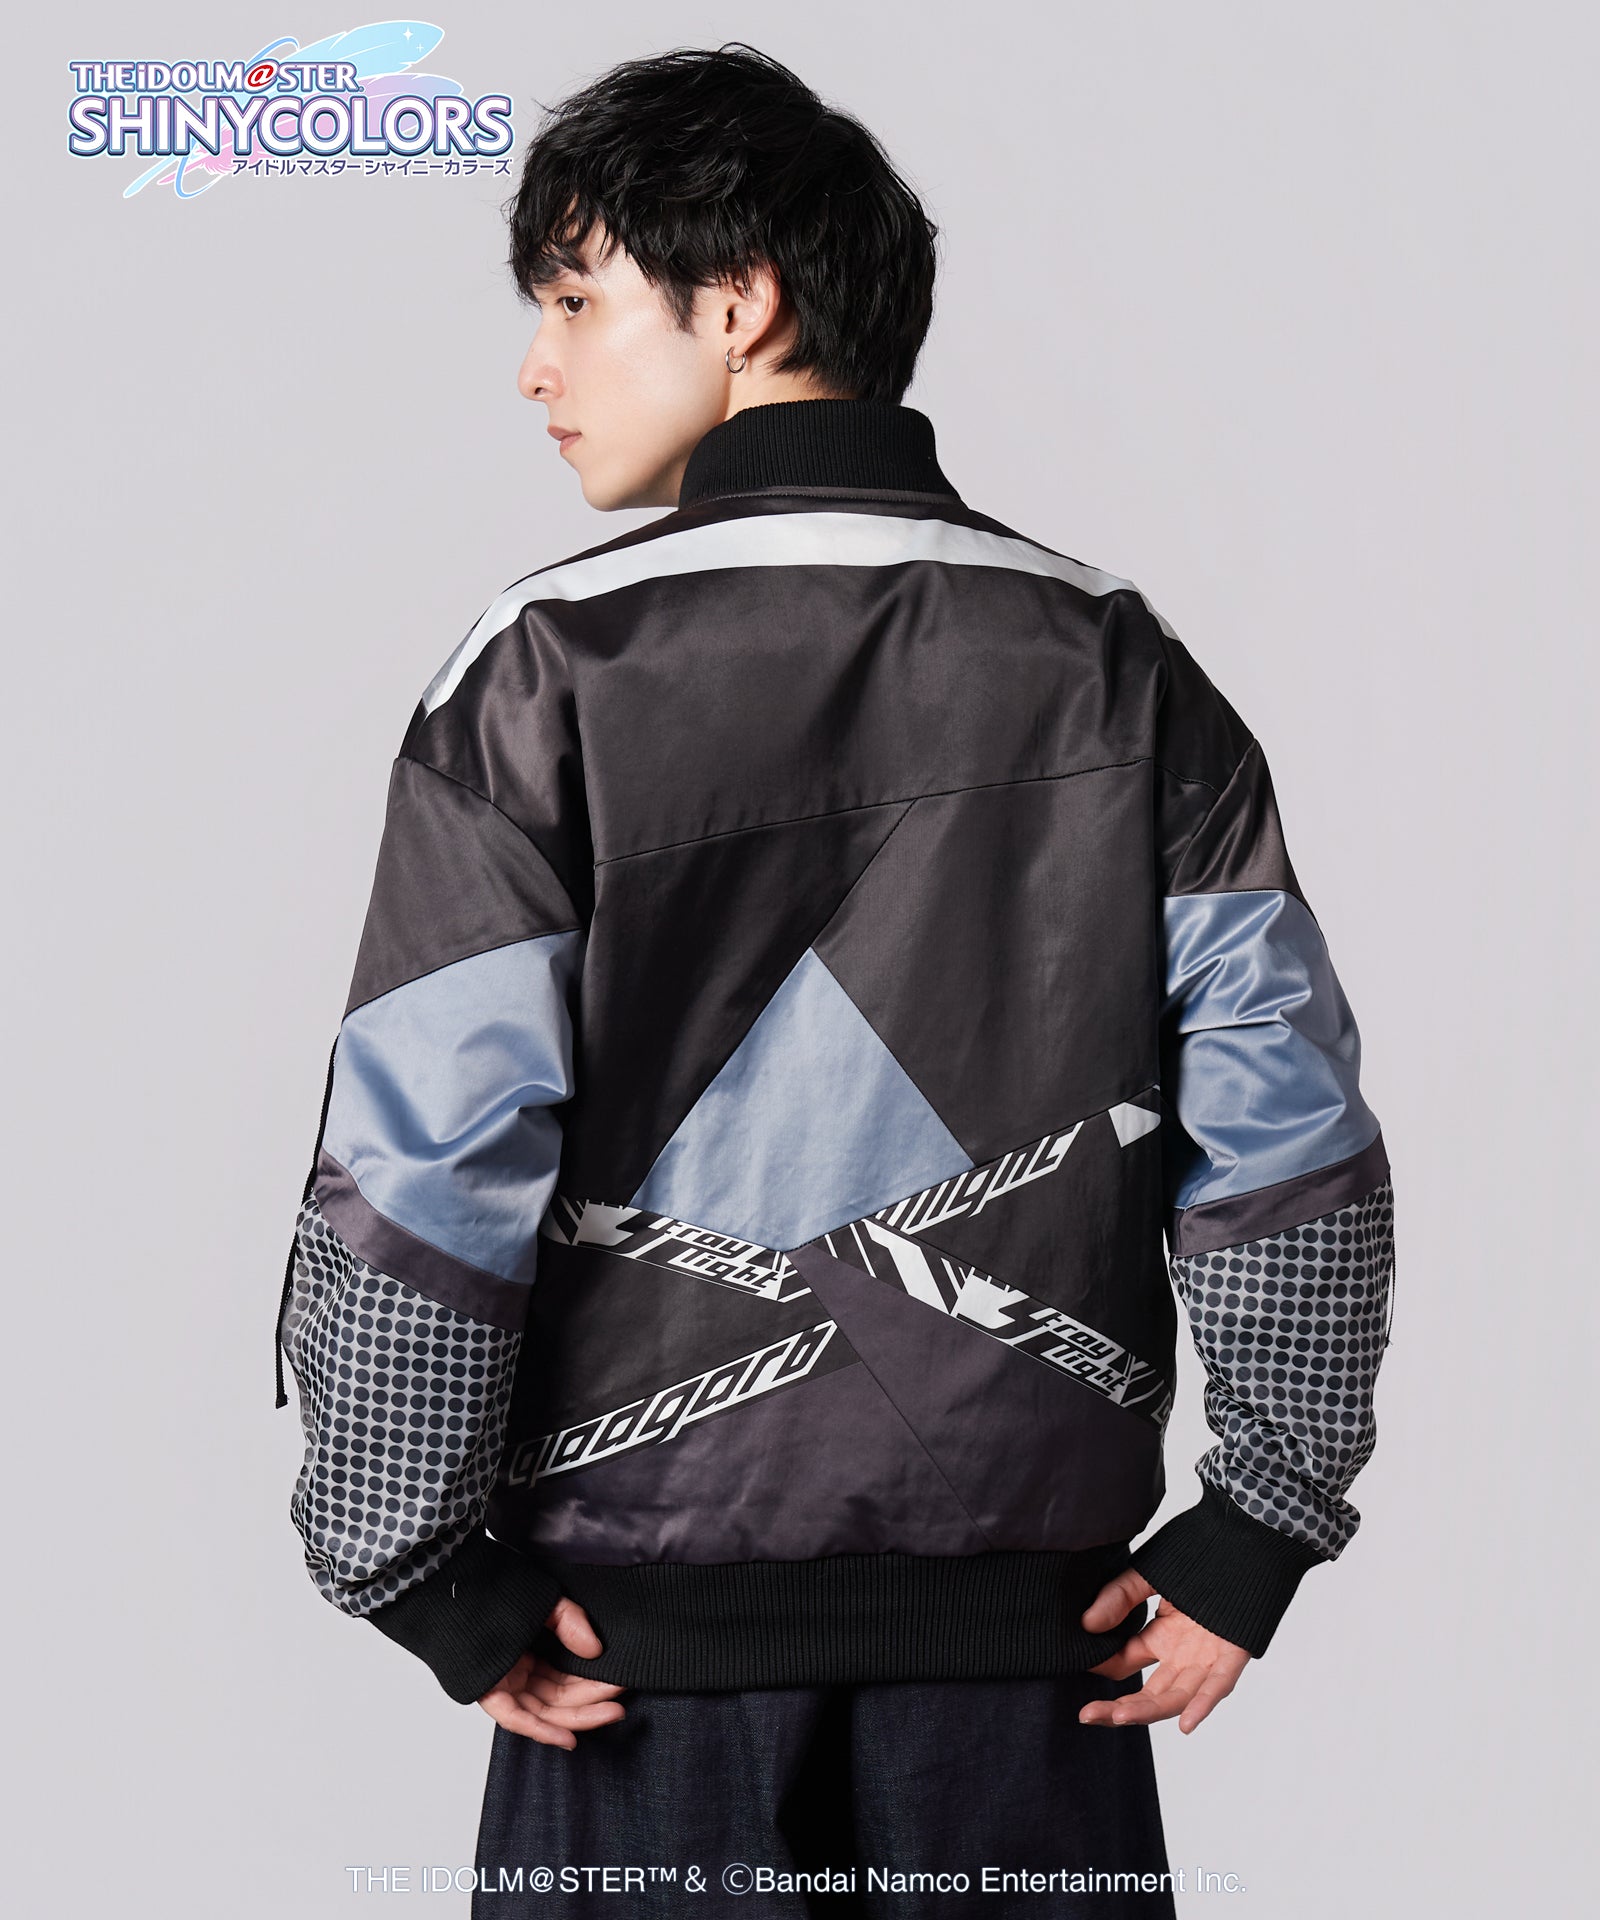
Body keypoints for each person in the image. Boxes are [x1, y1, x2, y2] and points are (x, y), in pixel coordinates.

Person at [274, 42, 1396, 1918]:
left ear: (740, 302)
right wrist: (1263, 1520)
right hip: (1032, 1696)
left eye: (574, 300)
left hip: (635, 1687)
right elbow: (1283, 1119)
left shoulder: (545, 666)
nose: (538, 368)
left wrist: (410, 1554)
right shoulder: (1115, 662)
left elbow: (431, 1149)